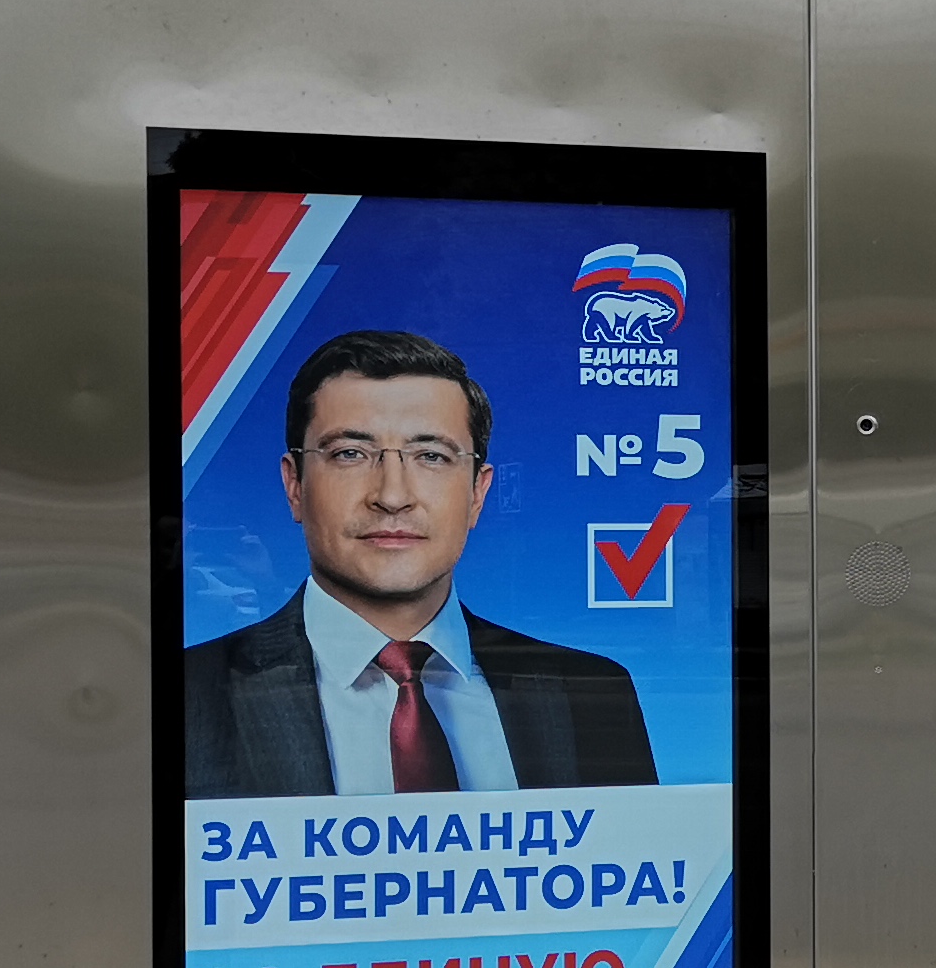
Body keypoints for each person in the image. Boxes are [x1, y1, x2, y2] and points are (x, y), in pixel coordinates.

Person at [183, 329, 657, 800]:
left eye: (431, 456)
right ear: (294, 485)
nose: (392, 496)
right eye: (350, 454)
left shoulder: (593, 693)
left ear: (477, 493)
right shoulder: (184, 695)